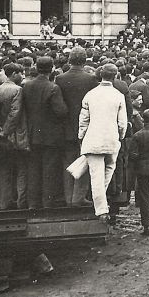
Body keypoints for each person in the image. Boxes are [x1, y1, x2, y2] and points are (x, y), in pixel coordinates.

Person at [79, 64, 128, 224]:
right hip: (111, 139)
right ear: (115, 77)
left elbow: (83, 119)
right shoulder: (119, 95)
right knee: (109, 169)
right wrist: (120, 136)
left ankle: (100, 208)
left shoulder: (90, 94)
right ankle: (100, 203)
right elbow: (122, 123)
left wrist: (82, 136)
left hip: (92, 139)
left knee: (96, 175)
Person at [21, 56, 68, 209]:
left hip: (32, 133)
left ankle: (33, 203)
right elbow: (61, 111)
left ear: (36, 67)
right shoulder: (53, 88)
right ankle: (47, 203)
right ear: (52, 68)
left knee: (33, 169)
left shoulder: (27, 86)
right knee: (49, 169)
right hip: (50, 135)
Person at [56, 48, 99, 206]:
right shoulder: (91, 79)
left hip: (65, 127)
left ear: (69, 60)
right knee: (84, 162)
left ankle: (68, 198)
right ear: (85, 60)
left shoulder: (59, 79)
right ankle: (79, 197)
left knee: (67, 164)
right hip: (86, 128)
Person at [0, 62, 28, 210]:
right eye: (20, 73)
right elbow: (15, 113)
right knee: (21, 169)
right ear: (14, 74)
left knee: (5, 171)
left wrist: (0, 131)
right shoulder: (17, 90)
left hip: (0, 136)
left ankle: (4, 203)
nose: (22, 76)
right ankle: (21, 202)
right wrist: (6, 132)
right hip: (15, 135)